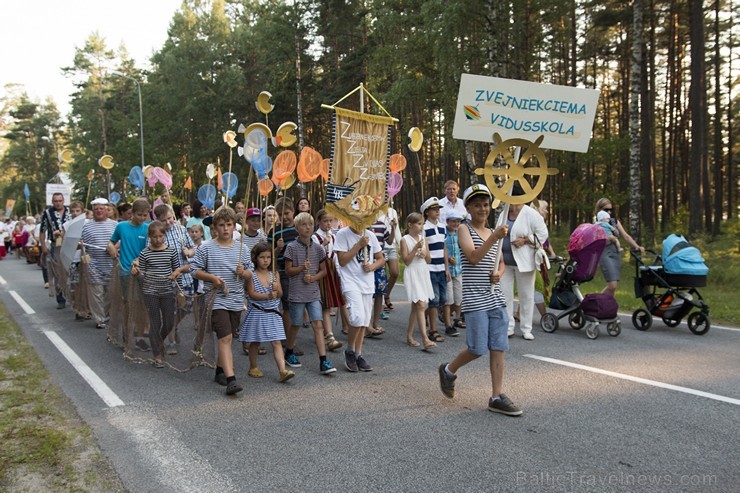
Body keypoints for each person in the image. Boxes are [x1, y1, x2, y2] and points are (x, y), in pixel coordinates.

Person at [437, 184, 522, 416]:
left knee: (499, 346)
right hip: (474, 299)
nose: (483, 208)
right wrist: (494, 237)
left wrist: (500, 273)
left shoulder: (495, 230)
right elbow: (474, 257)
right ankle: (448, 370)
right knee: (477, 348)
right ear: (469, 208)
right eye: (477, 205)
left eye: (486, 204)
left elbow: (501, 262)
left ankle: (496, 396)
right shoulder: (465, 229)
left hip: (495, 298)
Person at [190, 206, 250, 396]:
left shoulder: (243, 248)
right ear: (214, 227)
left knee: (228, 337)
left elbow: (251, 272)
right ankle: (231, 380)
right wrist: (212, 278)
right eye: (221, 225)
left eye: (229, 225)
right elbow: (194, 270)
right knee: (224, 337)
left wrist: (244, 272)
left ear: (235, 227)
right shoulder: (206, 247)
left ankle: (219, 370)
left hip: (235, 298)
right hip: (215, 299)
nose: (225, 229)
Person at [283, 212, 336, 375]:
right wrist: (300, 269)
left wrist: (313, 277)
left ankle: (323, 360)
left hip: (313, 293)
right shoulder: (291, 247)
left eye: (310, 224)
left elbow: (324, 271)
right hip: (297, 293)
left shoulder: (318, 248)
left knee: (318, 324)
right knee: (296, 324)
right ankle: (289, 351)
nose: (308, 227)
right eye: (303, 225)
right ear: (297, 228)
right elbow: (288, 271)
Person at [239, 242, 295, 382]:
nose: (265, 260)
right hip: (258, 312)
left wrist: (276, 288)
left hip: (273, 312)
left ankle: (282, 370)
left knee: (276, 341)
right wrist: (268, 296)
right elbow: (252, 294)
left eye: (268, 257)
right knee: (255, 342)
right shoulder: (251, 274)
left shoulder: (274, 273)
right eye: (262, 257)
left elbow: (281, 293)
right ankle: (253, 366)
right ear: (255, 258)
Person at [499, 183, 548, 341]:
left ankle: (526, 328)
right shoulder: (504, 213)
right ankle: (508, 327)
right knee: (505, 295)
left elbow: (543, 234)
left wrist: (526, 240)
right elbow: (497, 231)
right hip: (504, 262)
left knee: (526, 295)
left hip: (524, 262)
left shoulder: (530, 214)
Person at [334, 222, 385, 372]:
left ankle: (358, 354)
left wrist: (373, 267)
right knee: (356, 317)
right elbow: (342, 261)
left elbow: (381, 258)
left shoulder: (371, 235)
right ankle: (349, 350)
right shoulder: (342, 234)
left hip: (367, 282)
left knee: (363, 321)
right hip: (350, 281)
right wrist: (358, 245)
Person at [131, 221, 182, 368]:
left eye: (160, 236)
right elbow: (143, 275)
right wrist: (137, 273)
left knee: (169, 322)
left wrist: (175, 275)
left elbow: (176, 269)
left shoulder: (171, 251)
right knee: (155, 322)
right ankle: (157, 355)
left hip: (167, 290)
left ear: (165, 236)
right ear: (150, 237)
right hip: (150, 291)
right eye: (155, 237)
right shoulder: (145, 253)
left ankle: (159, 342)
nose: (158, 240)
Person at [108, 197, 152, 350]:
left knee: (143, 305)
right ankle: (127, 334)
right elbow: (111, 241)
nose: (142, 218)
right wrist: (112, 248)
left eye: (145, 215)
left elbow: (150, 249)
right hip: (125, 270)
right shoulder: (121, 226)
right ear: (132, 213)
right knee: (128, 304)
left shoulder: (147, 229)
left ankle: (140, 336)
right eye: (139, 214)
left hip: (142, 272)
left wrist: (140, 259)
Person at [594, 198, 645, 297]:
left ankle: (608, 308)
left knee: (614, 286)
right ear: (599, 209)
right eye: (606, 210)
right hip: (604, 253)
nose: (609, 212)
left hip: (615, 252)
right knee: (612, 285)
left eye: (610, 210)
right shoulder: (596, 223)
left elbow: (625, 236)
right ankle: (594, 303)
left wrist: (637, 246)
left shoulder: (614, 222)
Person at [399, 212, 436, 351]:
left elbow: (429, 260)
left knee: (416, 307)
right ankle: (425, 339)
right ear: (410, 225)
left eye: (422, 224)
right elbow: (407, 261)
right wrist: (415, 249)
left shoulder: (423, 239)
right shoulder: (405, 240)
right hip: (413, 272)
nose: (421, 226)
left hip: (423, 271)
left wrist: (424, 254)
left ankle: (409, 336)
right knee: (420, 304)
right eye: (419, 223)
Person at [81, 198, 118, 330]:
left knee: (109, 293)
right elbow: (80, 243)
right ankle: (100, 319)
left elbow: (121, 240)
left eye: (101, 209)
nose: (99, 211)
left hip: (111, 264)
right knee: (96, 294)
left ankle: (108, 316)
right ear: (93, 210)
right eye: (96, 209)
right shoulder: (86, 226)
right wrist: (79, 244)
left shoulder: (115, 225)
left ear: (106, 210)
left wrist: (114, 247)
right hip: (93, 265)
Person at [312, 209, 344, 352]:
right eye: (325, 221)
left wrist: (339, 273)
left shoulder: (333, 237)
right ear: (318, 222)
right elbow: (314, 255)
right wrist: (323, 245)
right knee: (323, 303)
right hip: (320, 270)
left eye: (330, 221)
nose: (328, 224)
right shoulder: (315, 237)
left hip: (331, 270)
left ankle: (327, 333)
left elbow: (335, 256)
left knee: (328, 304)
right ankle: (328, 335)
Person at [420, 197, 451, 341]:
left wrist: (447, 268)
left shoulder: (443, 227)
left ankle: (423, 314)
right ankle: (433, 330)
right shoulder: (424, 229)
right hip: (430, 268)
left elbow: (444, 248)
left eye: (438, 209)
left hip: (441, 268)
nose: (437, 211)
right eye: (434, 209)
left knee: (443, 299)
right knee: (434, 300)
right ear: (427, 212)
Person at [39, 192, 71, 309]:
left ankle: (72, 295)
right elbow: (42, 231)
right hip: (55, 244)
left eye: (60, 201)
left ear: (63, 201)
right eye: (55, 201)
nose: (58, 203)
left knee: (71, 270)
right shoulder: (48, 213)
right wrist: (43, 246)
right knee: (58, 271)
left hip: (70, 244)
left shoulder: (70, 212)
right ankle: (60, 298)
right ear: (52, 202)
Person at [443, 210, 465, 332]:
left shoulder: (460, 234)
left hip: (459, 269)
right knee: (449, 297)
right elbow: (440, 250)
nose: (455, 224)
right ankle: (447, 321)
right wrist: (447, 258)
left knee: (459, 296)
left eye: (458, 221)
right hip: (448, 270)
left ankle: (458, 318)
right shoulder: (444, 234)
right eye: (453, 221)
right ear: (447, 221)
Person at [379, 207, 400, 312]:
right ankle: (382, 300)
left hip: (391, 246)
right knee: (383, 275)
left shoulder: (393, 211)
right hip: (381, 246)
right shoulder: (375, 210)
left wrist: (400, 243)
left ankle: (387, 294)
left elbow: (397, 229)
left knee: (395, 272)